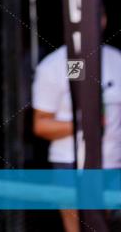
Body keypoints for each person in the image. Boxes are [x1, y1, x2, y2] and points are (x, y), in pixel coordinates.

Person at [32, 42, 121, 232]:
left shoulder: (117, 59)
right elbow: (40, 125)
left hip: (113, 163)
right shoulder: (53, 65)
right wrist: (85, 124)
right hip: (68, 163)